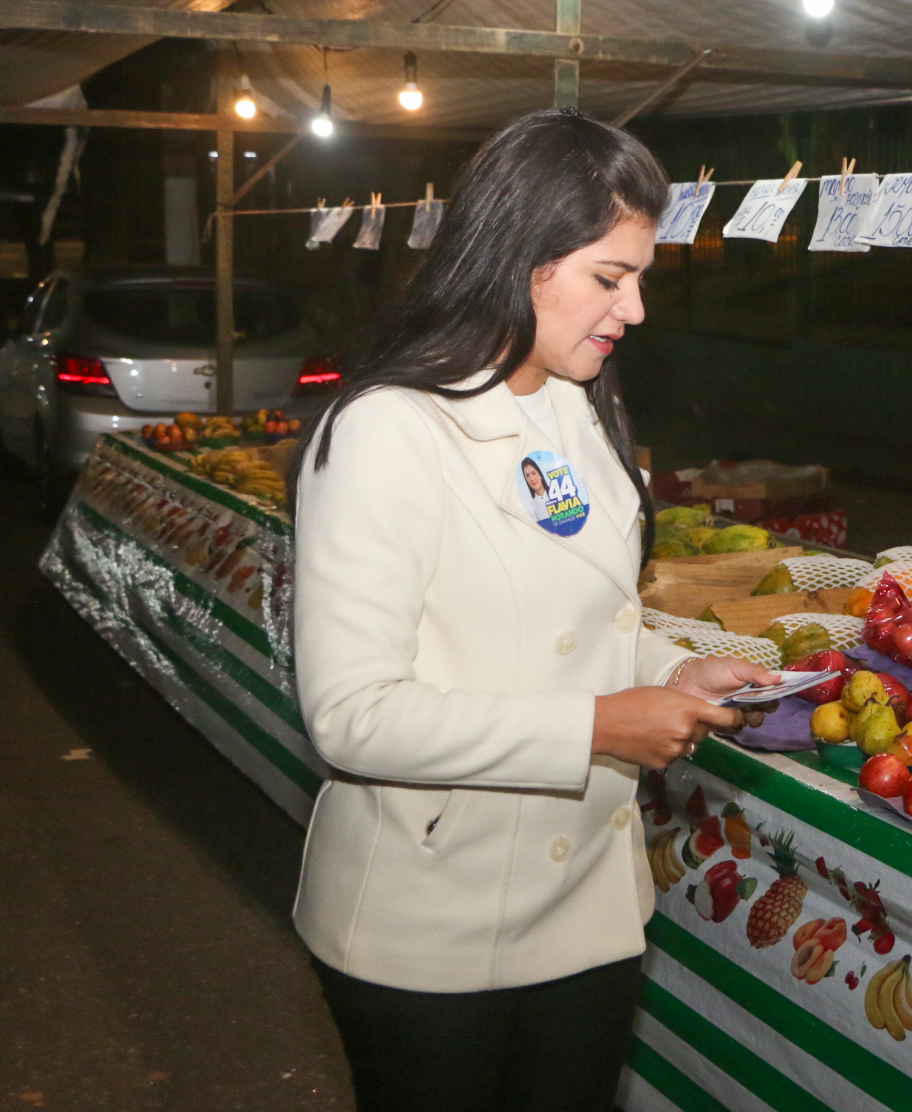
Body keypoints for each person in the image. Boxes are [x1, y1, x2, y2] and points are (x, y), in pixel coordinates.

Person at [287, 108, 777, 1112]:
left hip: (587, 906)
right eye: (610, 276)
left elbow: (590, 609)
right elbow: (353, 712)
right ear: (518, 258)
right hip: (430, 920)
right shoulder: (388, 430)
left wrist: (671, 668)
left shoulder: (573, 406)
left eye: (641, 277)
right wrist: (599, 726)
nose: (635, 309)